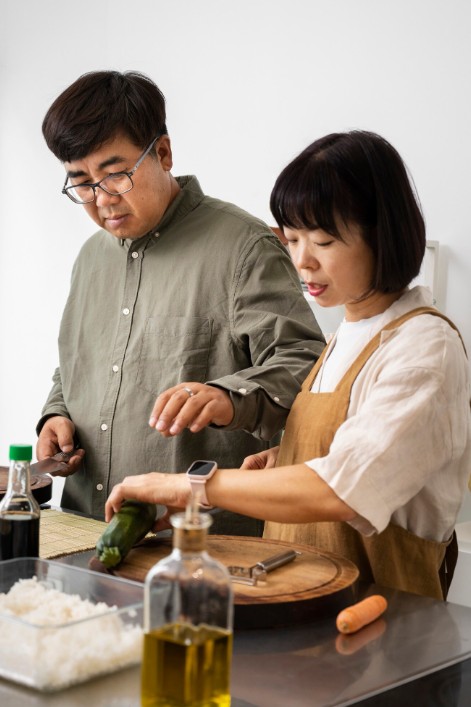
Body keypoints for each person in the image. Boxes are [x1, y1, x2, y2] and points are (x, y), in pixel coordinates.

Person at [105, 130, 471, 599]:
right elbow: (358, 453)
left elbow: (343, 488)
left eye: (323, 241)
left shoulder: (424, 345)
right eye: (293, 238)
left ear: (383, 234)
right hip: (310, 605)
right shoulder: (346, 334)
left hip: (383, 621)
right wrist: (288, 457)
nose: (302, 262)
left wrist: (189, 486)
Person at [36, 70, 325, 534]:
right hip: (80, 528)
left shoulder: (243, 247)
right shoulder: (90, 258)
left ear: (164, 153)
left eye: (115, 175)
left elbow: (306, 364)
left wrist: (228, 396)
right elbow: (75, 362)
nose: (101, 201)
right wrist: (57, 413)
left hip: (197, 545)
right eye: (81, 183)